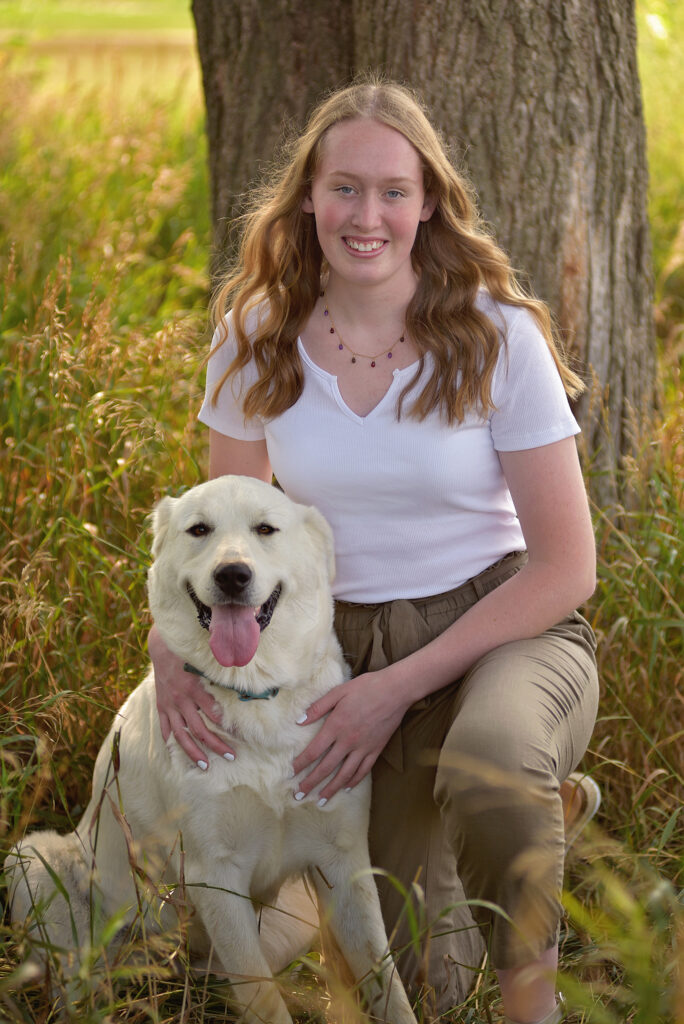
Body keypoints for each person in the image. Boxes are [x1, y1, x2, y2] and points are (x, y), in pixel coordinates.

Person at [150, 77, 600, 1024]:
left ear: (428, 201)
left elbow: (566, 565)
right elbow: (222, 524)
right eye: (344, 188)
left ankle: (536, 996)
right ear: (307, 196)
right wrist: (168, 651)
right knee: (394, 966)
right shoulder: (254, 337)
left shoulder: (495, 336)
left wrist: (398, 689)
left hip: (502, 622)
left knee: (489, 759)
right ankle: (521, 817)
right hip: (338, 647)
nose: (368, 215)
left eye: (393, 191)